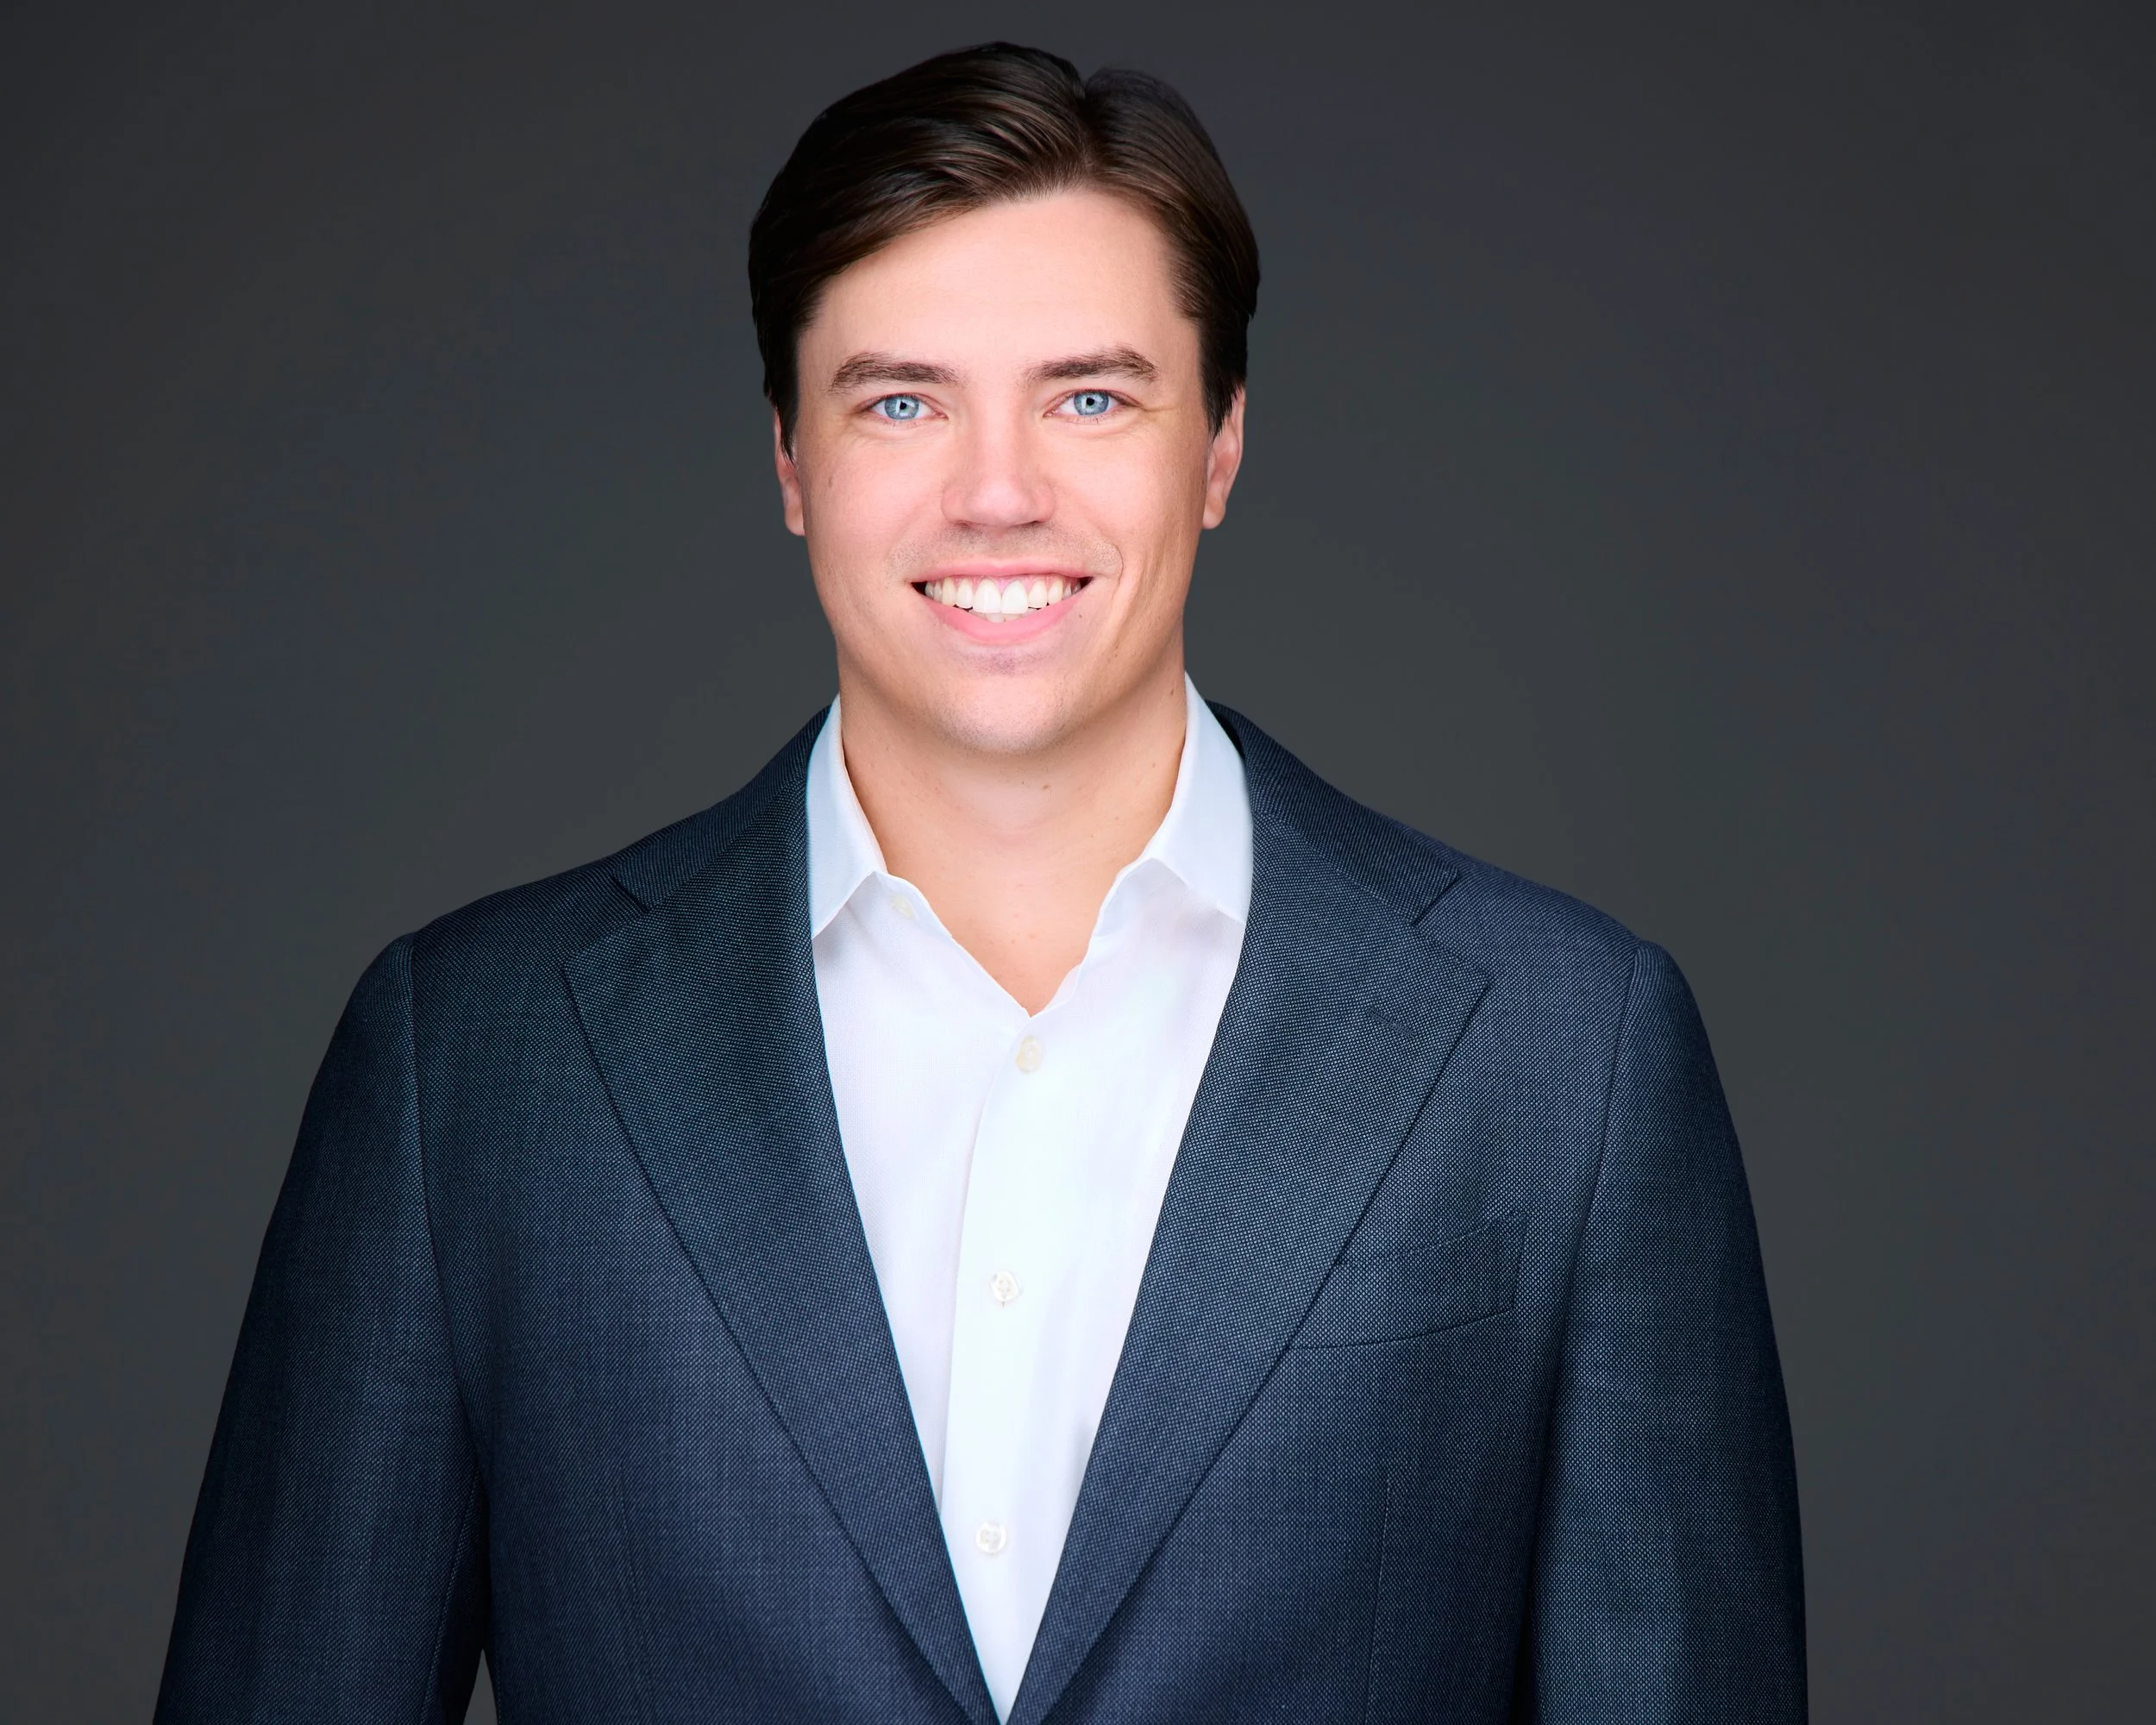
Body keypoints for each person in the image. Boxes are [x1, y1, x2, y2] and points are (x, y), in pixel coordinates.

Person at [156, 42, 1803, 1724]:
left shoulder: (1560, 1055)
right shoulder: (470, 1065)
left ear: (1218, 447)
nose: (998, 490)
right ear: (790, 463)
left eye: (1089, 396)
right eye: (899, 400)